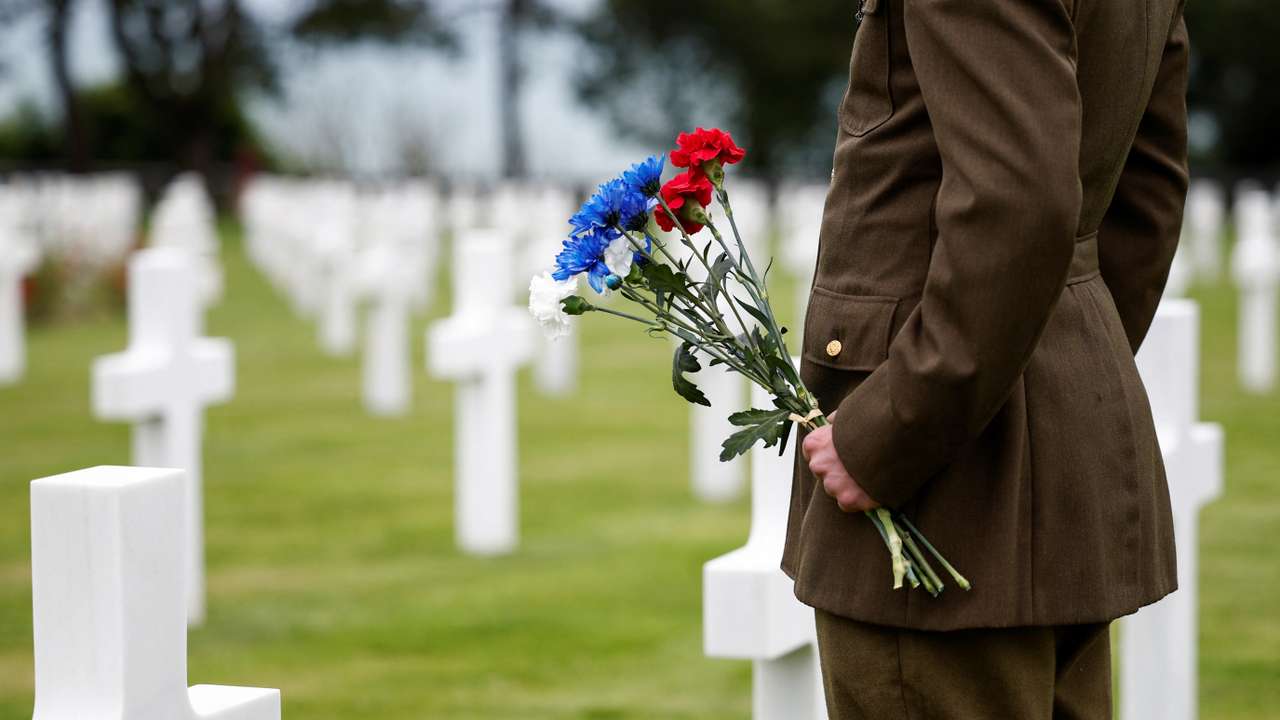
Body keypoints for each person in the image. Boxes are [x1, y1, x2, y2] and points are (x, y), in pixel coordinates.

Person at [784, 0, 1189, 716]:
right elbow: (1145, 192)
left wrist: (890, 434)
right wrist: (1064, 365)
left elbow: (1018, 202)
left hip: (945, 486)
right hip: (1051, 456)